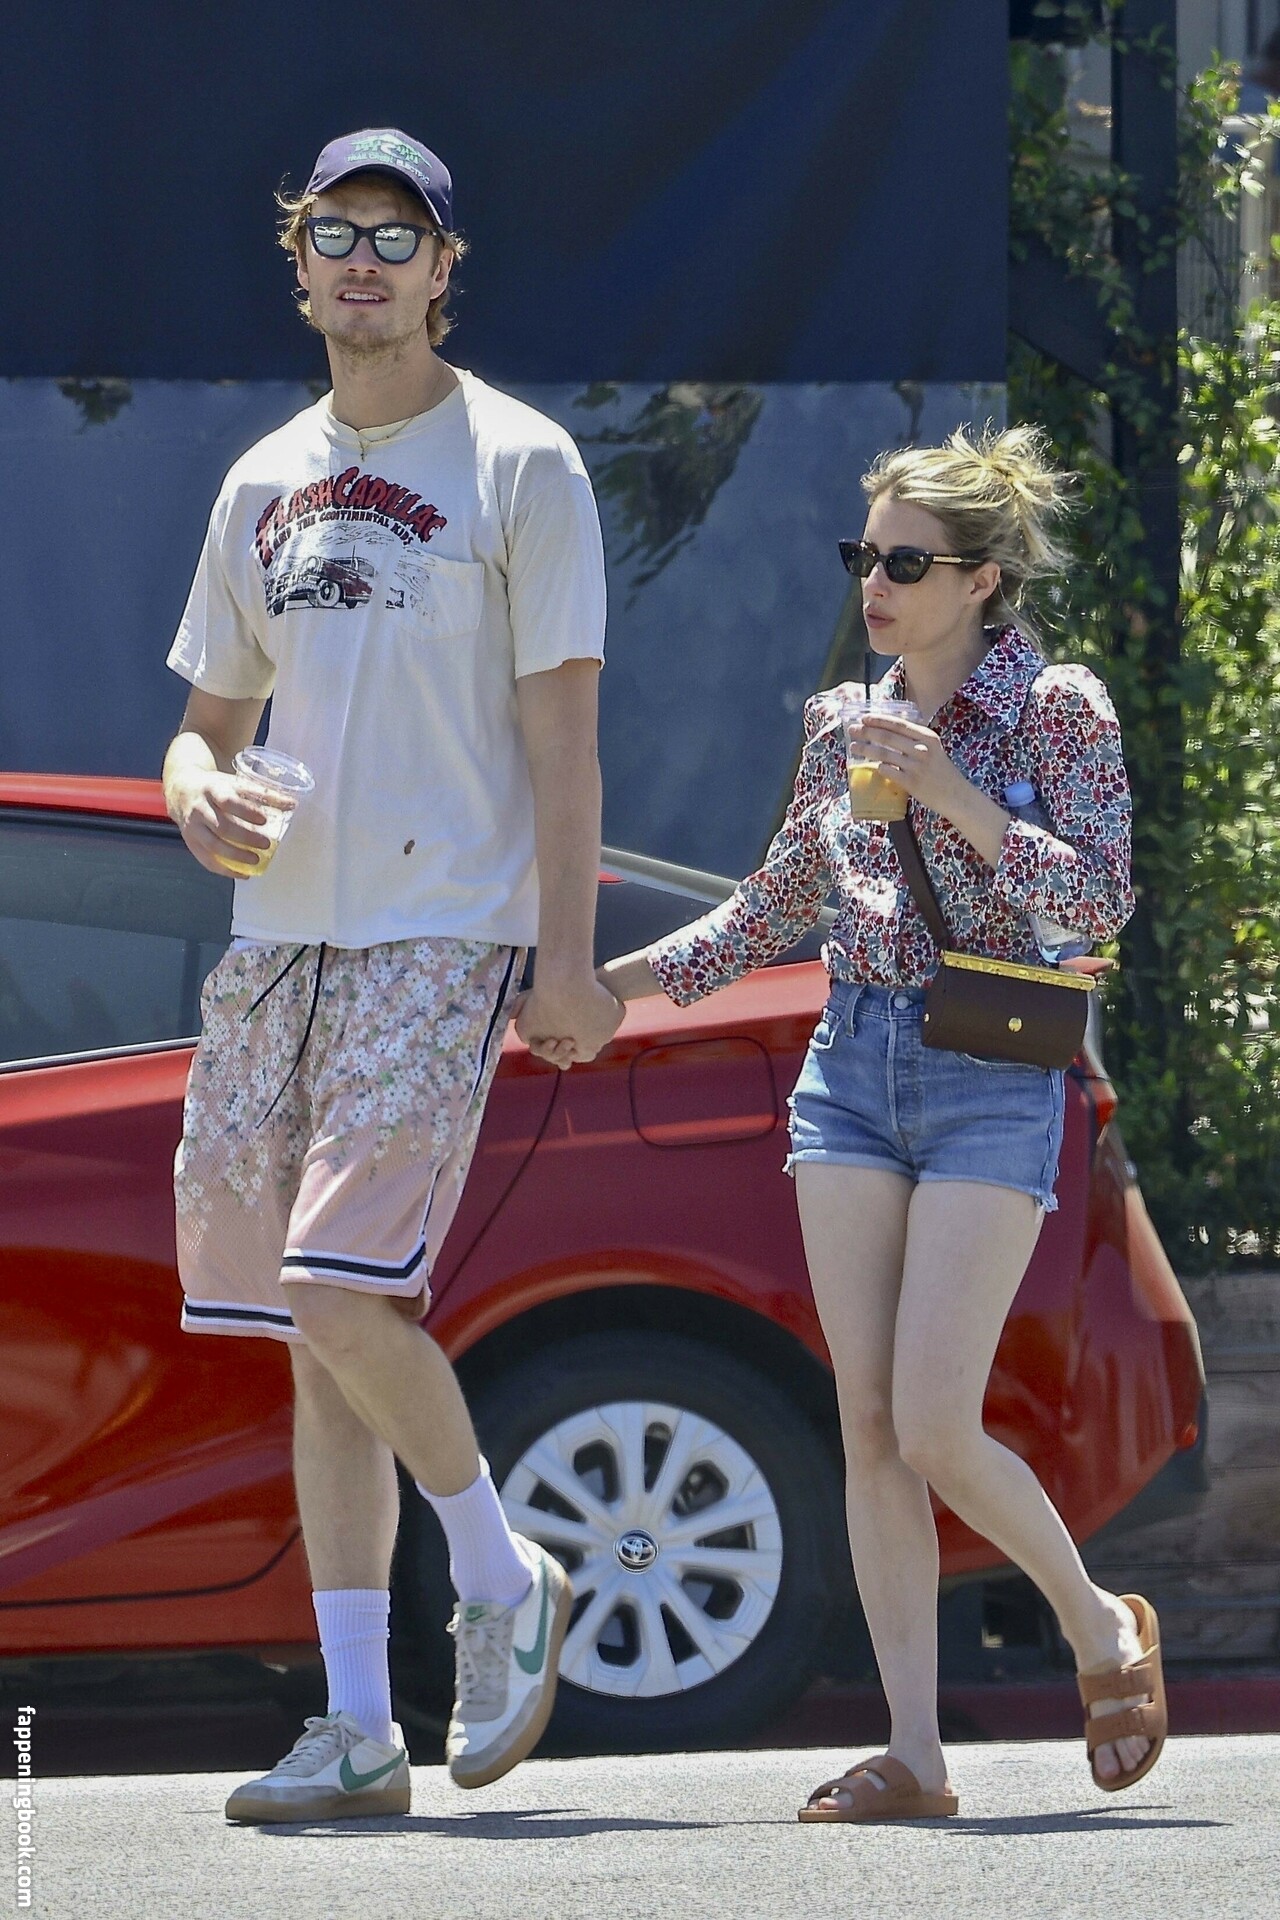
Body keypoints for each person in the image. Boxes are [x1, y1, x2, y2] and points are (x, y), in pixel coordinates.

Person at [598, 425, 1167, 1822]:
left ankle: (1098, 1623)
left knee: (932, 1420)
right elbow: (778, 904)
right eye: (867, 556)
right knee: (866, 1422)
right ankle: (916, 1754)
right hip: (849, 1069)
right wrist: (611, 990)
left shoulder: (1058, 709)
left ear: (981, 580)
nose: (876, 584)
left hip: (990, 1075)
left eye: (907, 563)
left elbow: (1098, 905)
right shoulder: (840, 721)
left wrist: (952, 793)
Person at [163, 127, 622, 1823]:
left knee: (342, 1293)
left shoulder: (524, 463)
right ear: (300, 268)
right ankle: (359, 1729)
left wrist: (563, 959)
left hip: (446, 928)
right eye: (335, 235)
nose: (364, 262)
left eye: (396, 235)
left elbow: (562, 742)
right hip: (281, 940)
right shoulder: (258, 481)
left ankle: (502, 1572)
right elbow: (204, 727)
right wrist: (195, 794)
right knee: (317, 1328)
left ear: (444, 270)